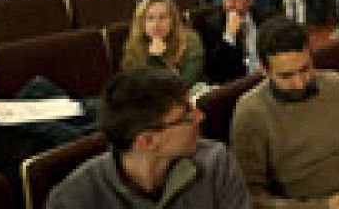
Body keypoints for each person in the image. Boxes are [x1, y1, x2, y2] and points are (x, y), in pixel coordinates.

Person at [230, 16, 339, 208]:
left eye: (305, 68)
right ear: (263, 70)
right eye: (286, 76)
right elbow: (252, 196)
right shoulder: (250, 112)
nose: (300, 83)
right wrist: (320, 206)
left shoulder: (336, 84)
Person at [45, 68, 252, 209]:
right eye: (187, 115)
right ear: (147, 141)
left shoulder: (216, 163)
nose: (200, 117)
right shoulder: (73, 198)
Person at [121, 0, 204, 87]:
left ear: (173, 20)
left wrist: (156, 59)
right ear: (142, 23)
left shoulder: (190, 40)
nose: (156, 24)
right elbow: (132, 85)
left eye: (162, 17)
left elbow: (182, 85)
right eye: (150, 18)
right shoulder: (134, 44)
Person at [200, 0, 269, 84]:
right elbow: (214, 72)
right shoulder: (212, 26)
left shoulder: (263, 20)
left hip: (264, 79)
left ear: (250, 1)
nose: (230, 4)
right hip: (235, 86)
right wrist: (229, 37)